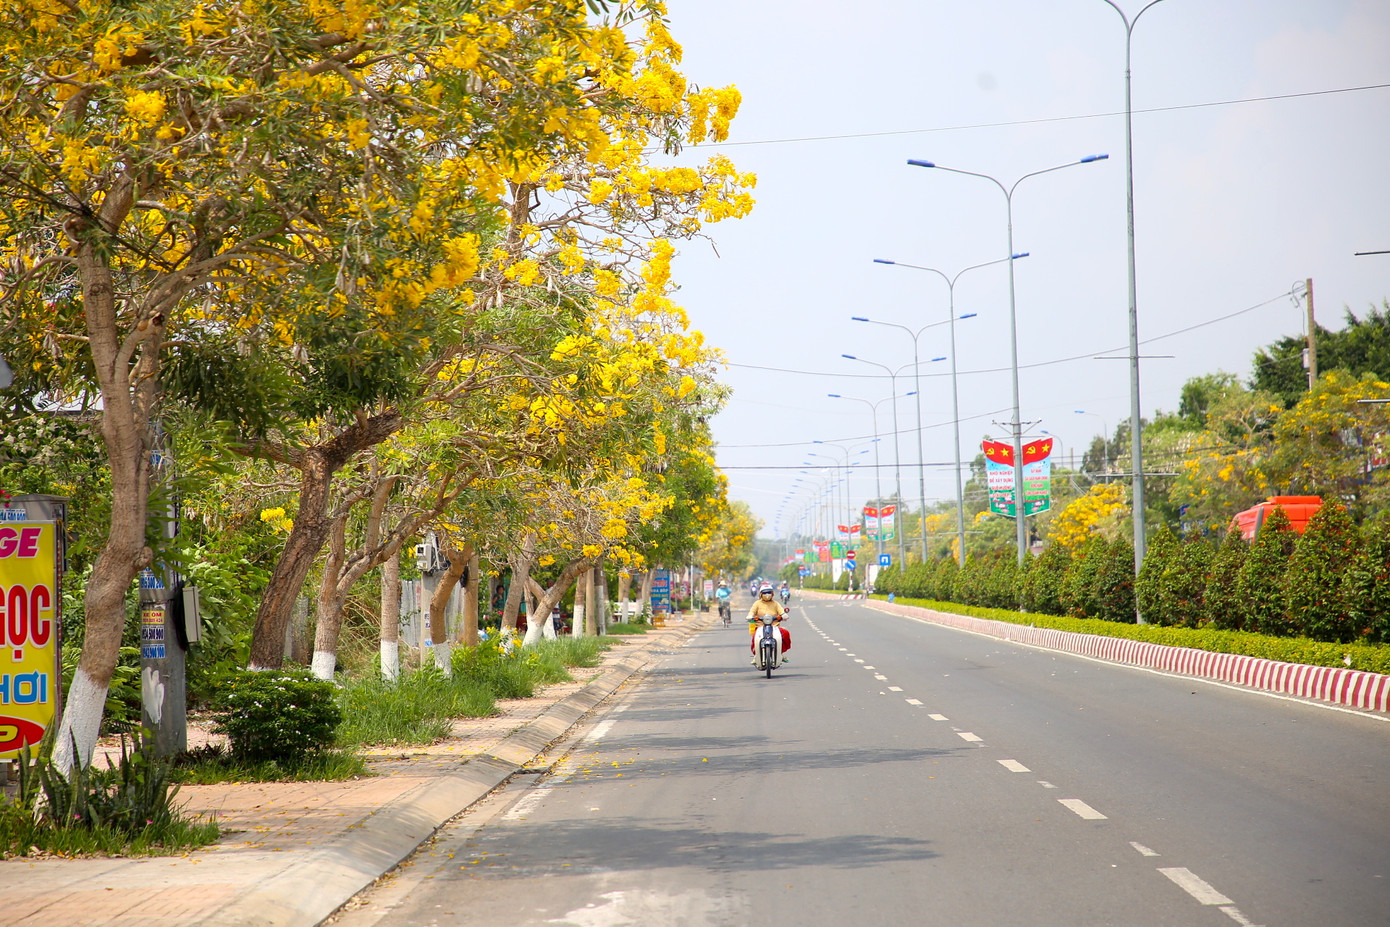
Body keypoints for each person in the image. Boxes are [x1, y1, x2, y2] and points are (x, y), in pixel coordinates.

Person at [746, 584, 791, 664]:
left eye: (769, 592)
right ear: (760, 594)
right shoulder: (757, 603)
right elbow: (752, 611)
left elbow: (781, 611)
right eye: (765, 593)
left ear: (772, 594)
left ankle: (780, 653)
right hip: (760, 626)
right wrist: (750, 616)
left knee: (785, 634)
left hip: (774, 626)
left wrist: (784, 615)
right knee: (755, 639)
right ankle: (756, 656)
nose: (767, 594)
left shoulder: (775, 604)